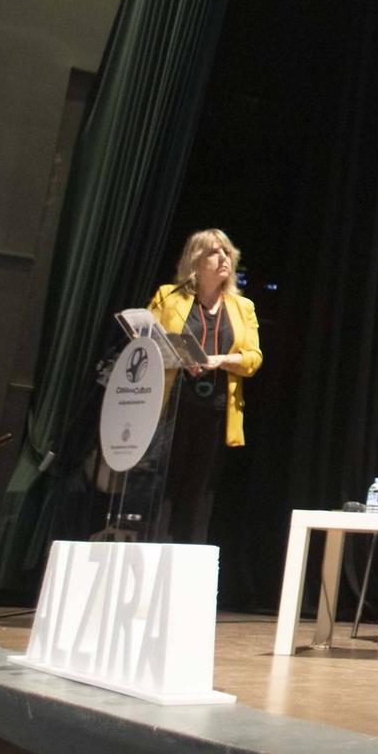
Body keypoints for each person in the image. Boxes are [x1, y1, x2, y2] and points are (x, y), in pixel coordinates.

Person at [147, 228, 263, 545]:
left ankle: (189, 560)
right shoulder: (168, 297)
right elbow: (144, 341)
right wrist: (176, 356)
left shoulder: (243, 307)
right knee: (165, 486)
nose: (223, 258)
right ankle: (155, 552)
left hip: (215, 409)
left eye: (227, 252)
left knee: (200, 492)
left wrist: (221, 360)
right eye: (214, 252)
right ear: (196, 260)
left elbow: (253, 359)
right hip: (173, 405)